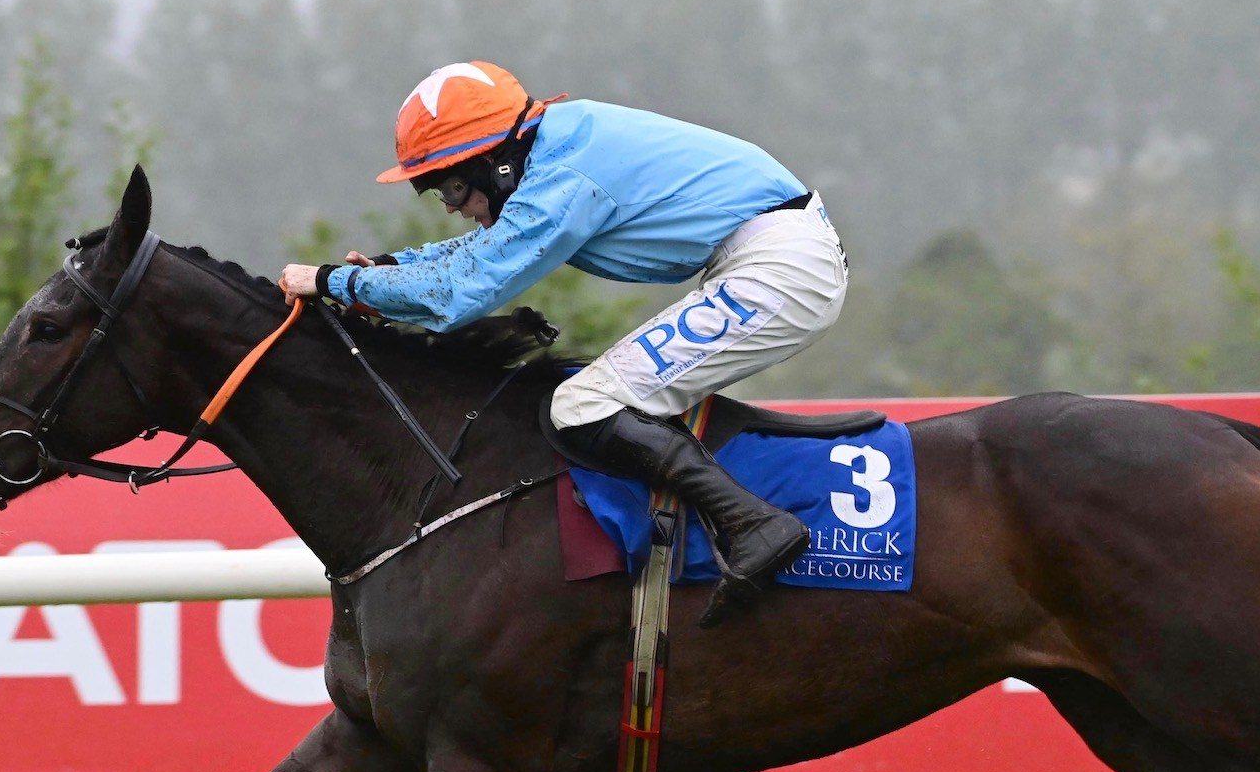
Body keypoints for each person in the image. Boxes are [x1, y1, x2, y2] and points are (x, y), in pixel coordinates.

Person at [278, 61, 848, 624]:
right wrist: (384, 270)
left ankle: (753, 524)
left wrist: (335, 281)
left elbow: (463, 291)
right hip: (770, 258)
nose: (450, 205)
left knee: (584, 404)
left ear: (499, 162)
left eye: (452, 185)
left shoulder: (565, 176)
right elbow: (484, 254)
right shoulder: (554, 151)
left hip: (780, 270)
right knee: (601, 399)